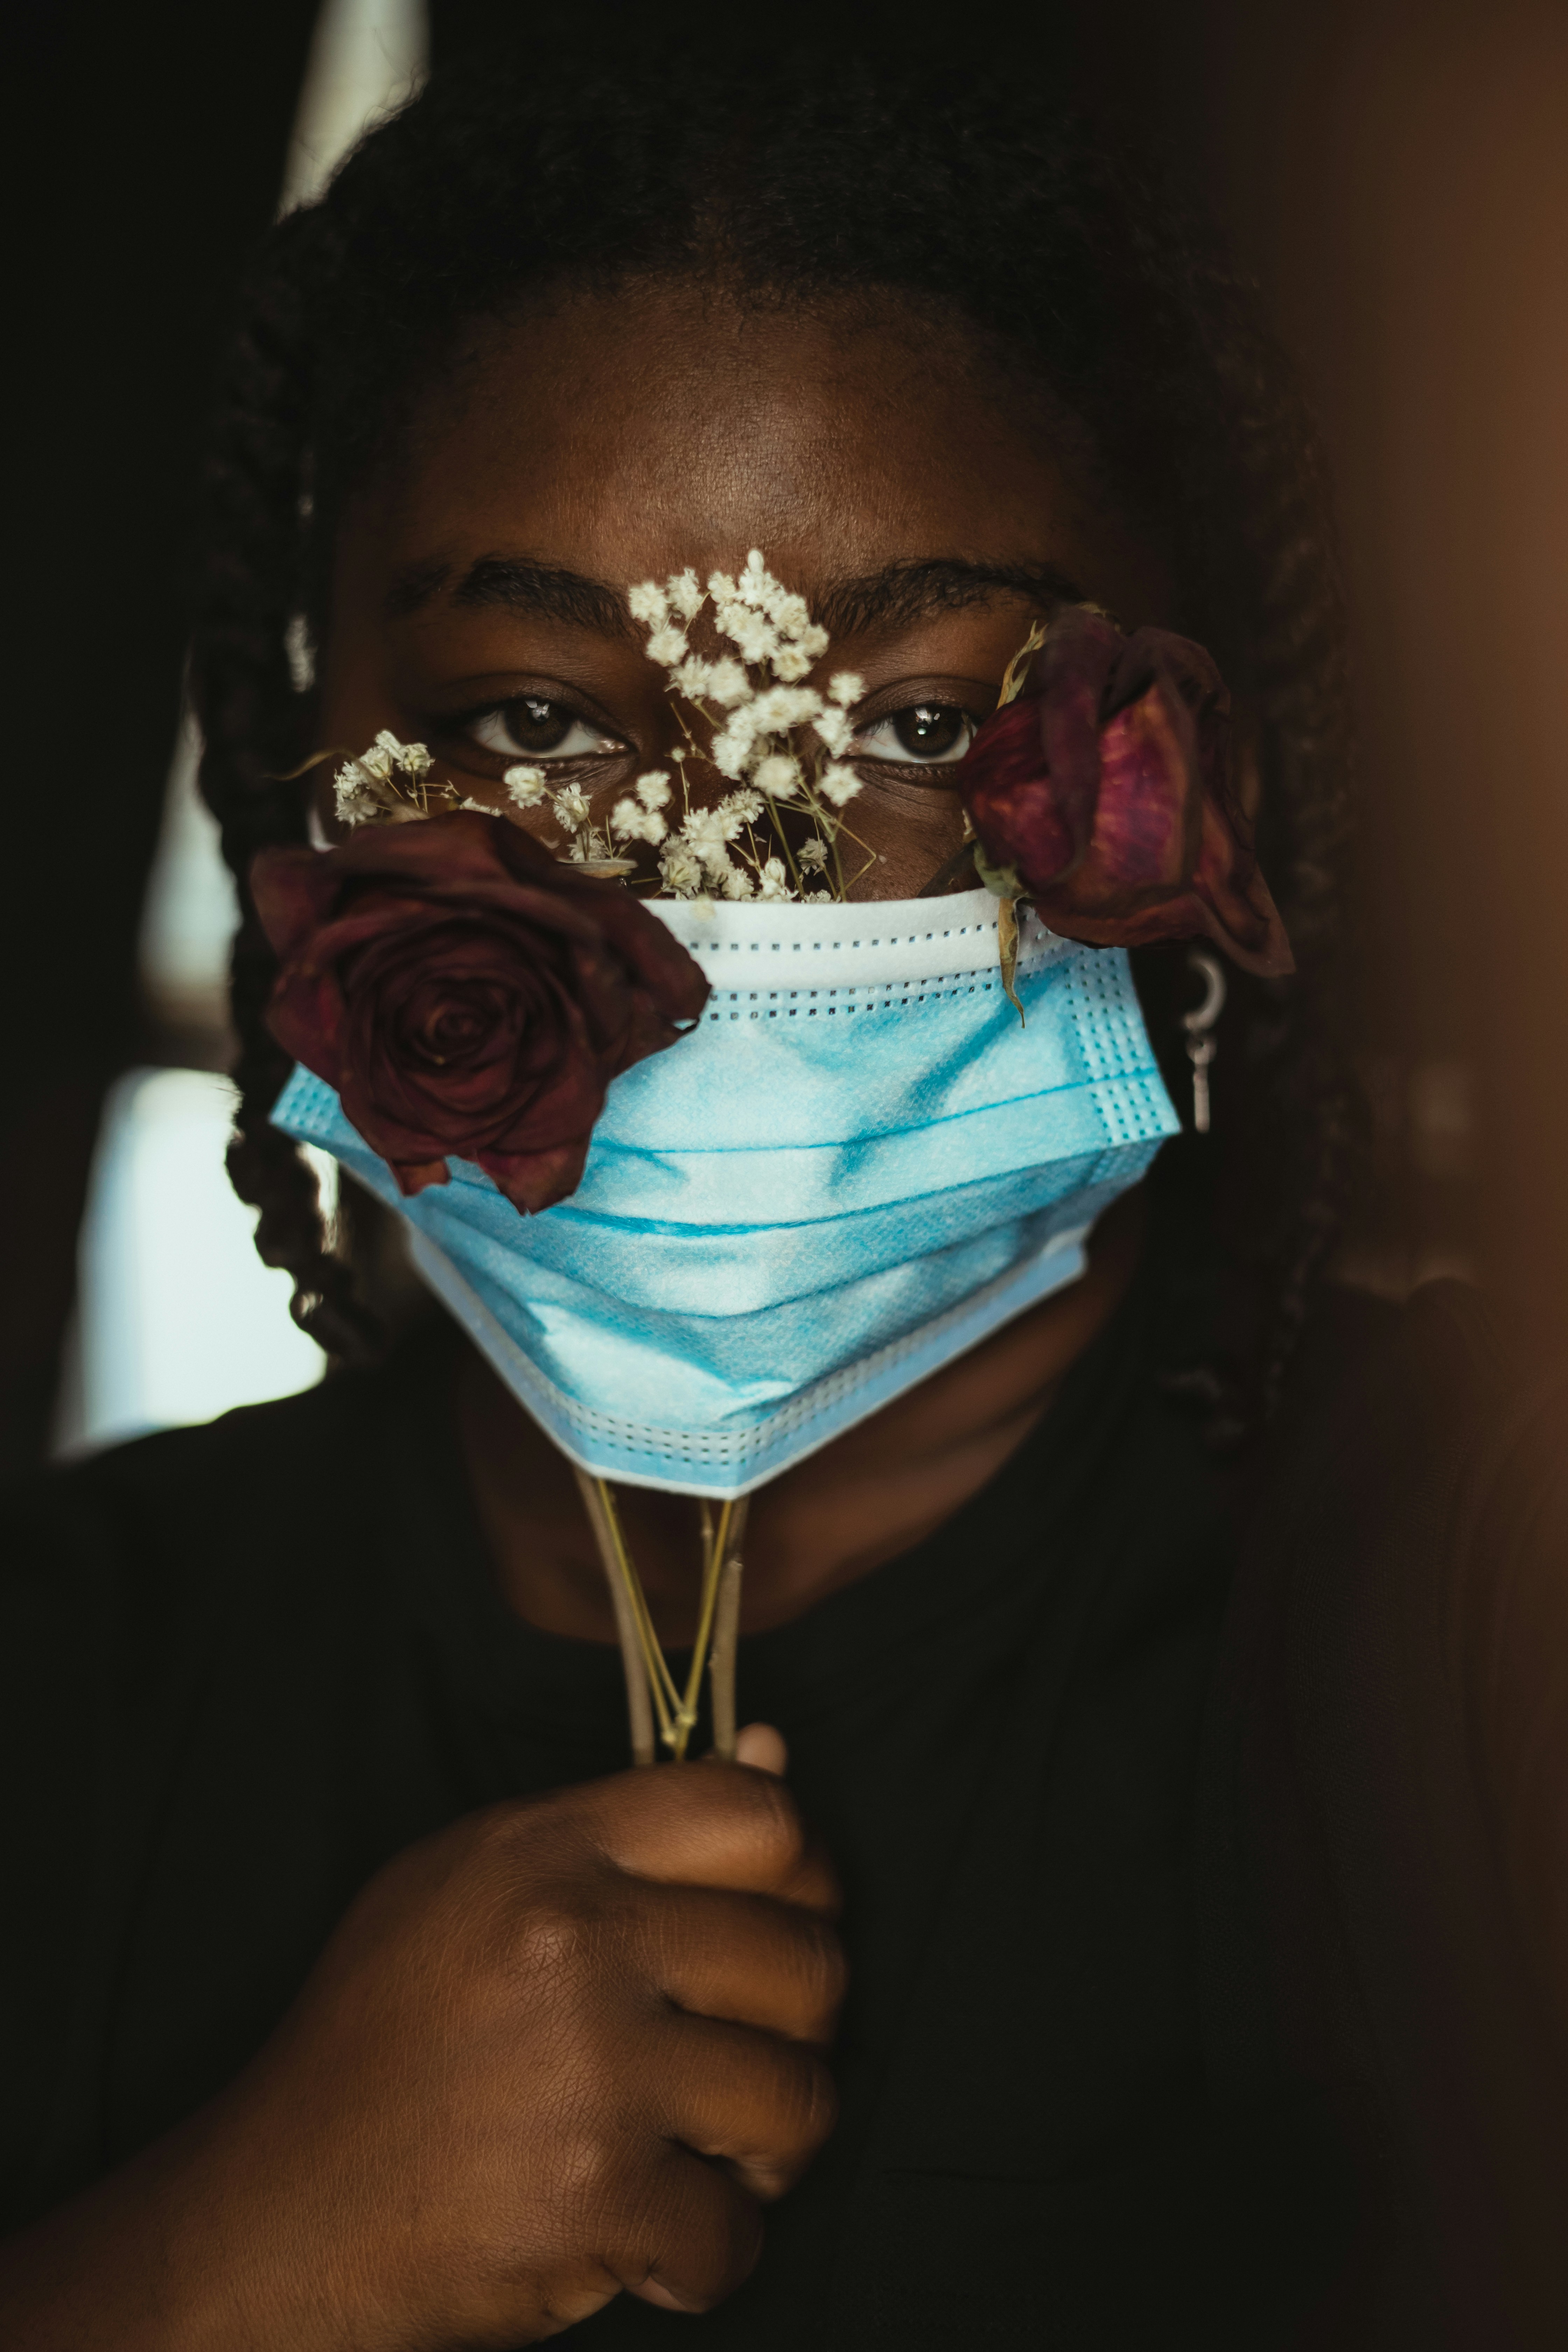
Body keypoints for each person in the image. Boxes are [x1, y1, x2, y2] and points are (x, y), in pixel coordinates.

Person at [4, 33, 1567, 2351]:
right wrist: (207, 2266)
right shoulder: (68, 1690)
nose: (728, 898)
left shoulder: (1474, 1624)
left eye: (925, 727)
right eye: (538, 722)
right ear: (312, 772)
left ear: (1193, 794)